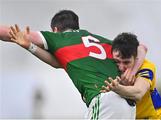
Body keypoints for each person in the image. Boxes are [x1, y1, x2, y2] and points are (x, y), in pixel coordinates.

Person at [1, 10, 147, 119]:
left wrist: (21, 39)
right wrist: (132, 71)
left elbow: (9, 33)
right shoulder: (102, 41)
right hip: (127, 105)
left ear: (55, 29)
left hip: (104, 101)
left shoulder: (59, 38)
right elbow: (141, 48)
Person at [101, 32, 161, 119]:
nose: (121, 67)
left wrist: (117, 88)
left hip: (150, 117)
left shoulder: (146, 67)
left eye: (126, 62)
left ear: (136, 58)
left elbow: (138, 92)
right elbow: (142, 48)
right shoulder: (110, 61)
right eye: (117, 61)